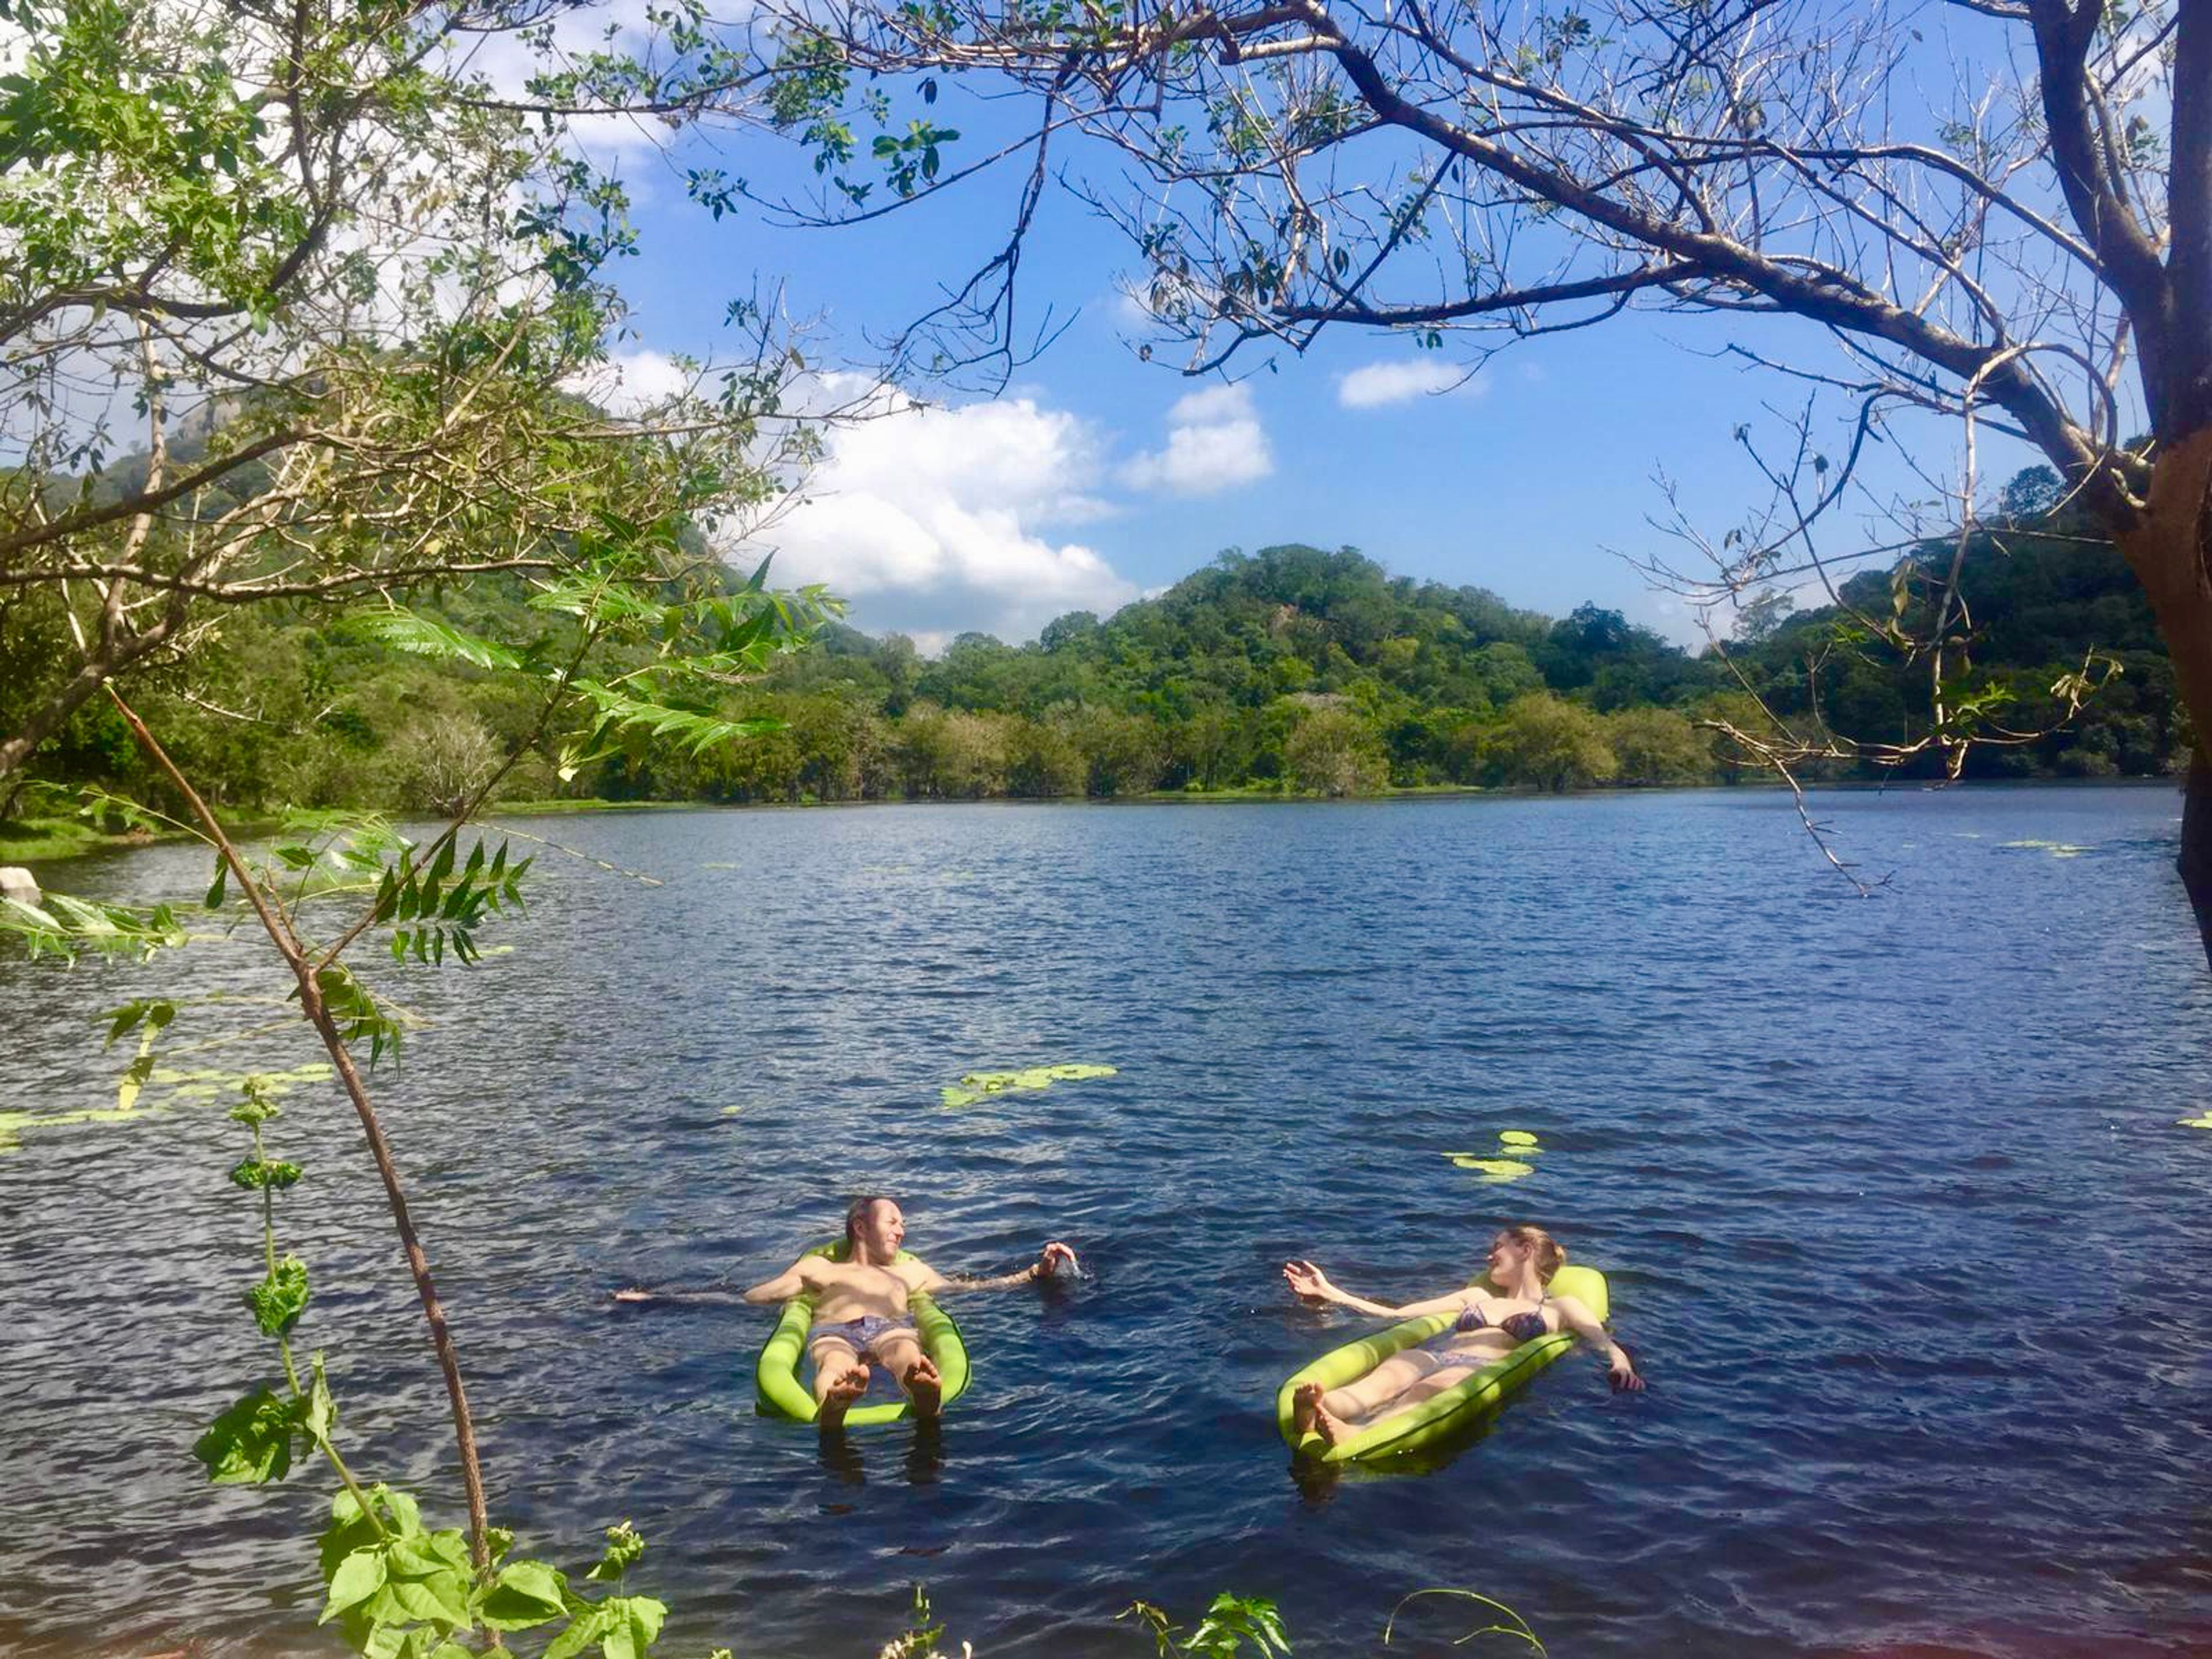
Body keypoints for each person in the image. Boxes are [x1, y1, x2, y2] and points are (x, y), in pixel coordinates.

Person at [1282, 1224, 1641, 1449]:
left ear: (1525, 1250)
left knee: (1425, 1392)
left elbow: (1600, 1339)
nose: (1489, 1256)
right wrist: (1331, 1293)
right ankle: (1318, 1409)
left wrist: (1620, 1361)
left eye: (1498, 1247)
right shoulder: (1477, 1296)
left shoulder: (1560, 1307)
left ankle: (1357, 1434)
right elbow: (1395, 1313)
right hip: (1433, 1353)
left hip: (1474, 1366)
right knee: (1379, 1384)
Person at [743, 1195, 1079, 1431]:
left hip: (892, 1328)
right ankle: (834, 1403)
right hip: (834, 1331)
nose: (901, 1231)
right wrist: (794, 1290)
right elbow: (759, 1296)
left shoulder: (910, 1272)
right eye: (892, 1222)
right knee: (834, 1361)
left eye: (903, 1224)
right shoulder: (820, 1268)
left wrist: (1036, 1272)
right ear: (861, 1228)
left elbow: (972, 1288)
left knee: (906, 1351)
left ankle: (924, 1394)